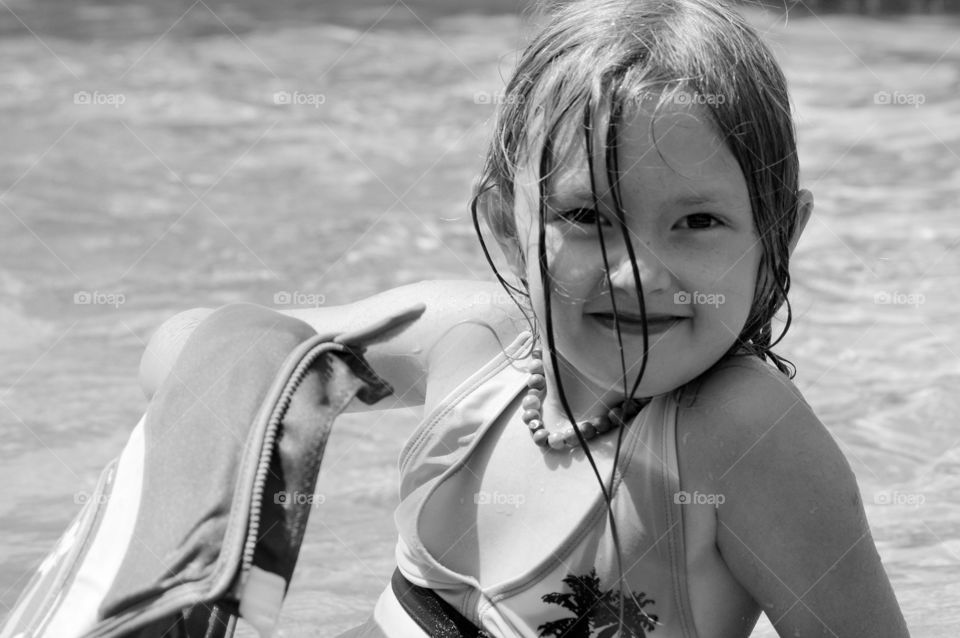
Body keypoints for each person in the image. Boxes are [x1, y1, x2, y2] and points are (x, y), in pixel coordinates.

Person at [140, 0, 910, 635]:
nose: (637, 273)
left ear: (777, 239)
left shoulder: (740, 437)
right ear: (509, 226)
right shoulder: (468, 349)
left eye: (698, 222)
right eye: (585, 216)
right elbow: (192, 344)